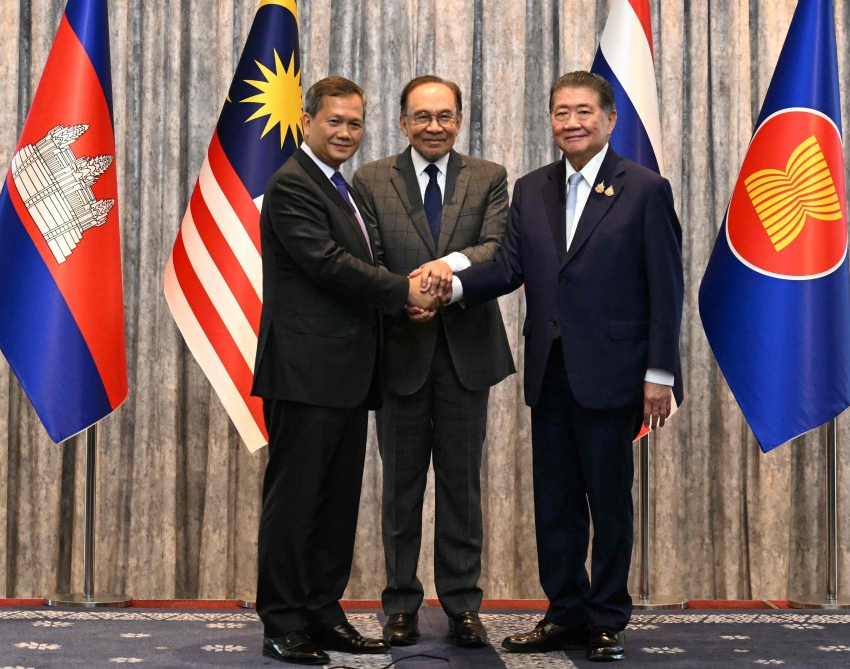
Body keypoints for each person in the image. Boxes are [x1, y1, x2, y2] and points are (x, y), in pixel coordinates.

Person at [421, 70, 683, 662]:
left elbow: (666, 288)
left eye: (584, 111)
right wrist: (449, 284)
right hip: (550, 370)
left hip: (616, 374)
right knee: (556, 502)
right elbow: (509, 268)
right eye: (561, 112)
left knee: (610, 501)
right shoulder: (532, 187)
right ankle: (565, 612)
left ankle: (608, 619)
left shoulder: (643, 189)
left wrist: (660, 374)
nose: (572, 122)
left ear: (609, 119)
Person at [252, 76, 440, 665]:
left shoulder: (346, 189)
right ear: (308, 120)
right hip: (304, 371)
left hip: (350, 372)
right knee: (295, 500)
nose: (344, 133)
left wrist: (401, 296)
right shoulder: (291, 185)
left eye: (355, 123)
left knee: (334, 503)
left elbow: (368, 260)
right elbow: (327, 264)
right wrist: (400, 290)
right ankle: (283, 621)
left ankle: (322, 611)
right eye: (334, 121)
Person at [351, 76, 515, 649]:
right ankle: (399, 604)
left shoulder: (489, 177)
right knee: (399, 489)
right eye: (422, 116)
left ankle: (463, 606)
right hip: (399, 350)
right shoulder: (370, 179)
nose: (434, 126)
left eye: (445, 116)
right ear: (402, 122)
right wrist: (405, 296)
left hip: (467, 355)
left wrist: (440, 271)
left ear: (460, 119)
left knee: (461, 489)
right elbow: (363, 254)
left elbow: (498, 248)